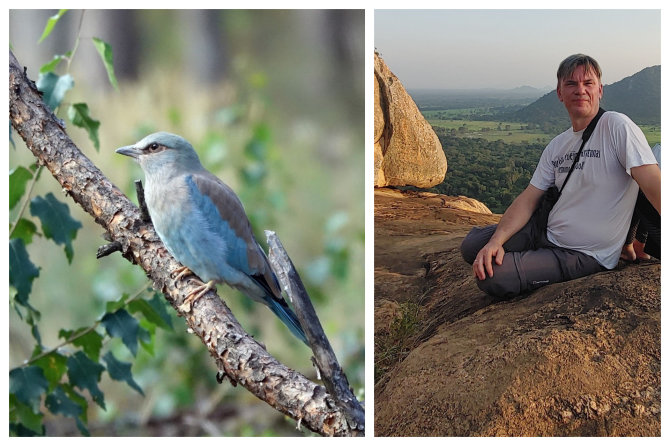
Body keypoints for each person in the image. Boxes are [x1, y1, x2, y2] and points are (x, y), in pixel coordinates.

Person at [460, 54, 660, 298]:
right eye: (571, 84)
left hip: (582, 253)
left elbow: (654, 187)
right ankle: (513, 248)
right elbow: (529, 198)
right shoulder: (558, 144)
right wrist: (496, 241)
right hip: (545, 229)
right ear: (559, 93)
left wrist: (630, 243)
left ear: (600, 90)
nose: (580, 90)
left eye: (588, 83)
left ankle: (530, 262)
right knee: (472, 246)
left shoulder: (617, 127)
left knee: (493, 277)